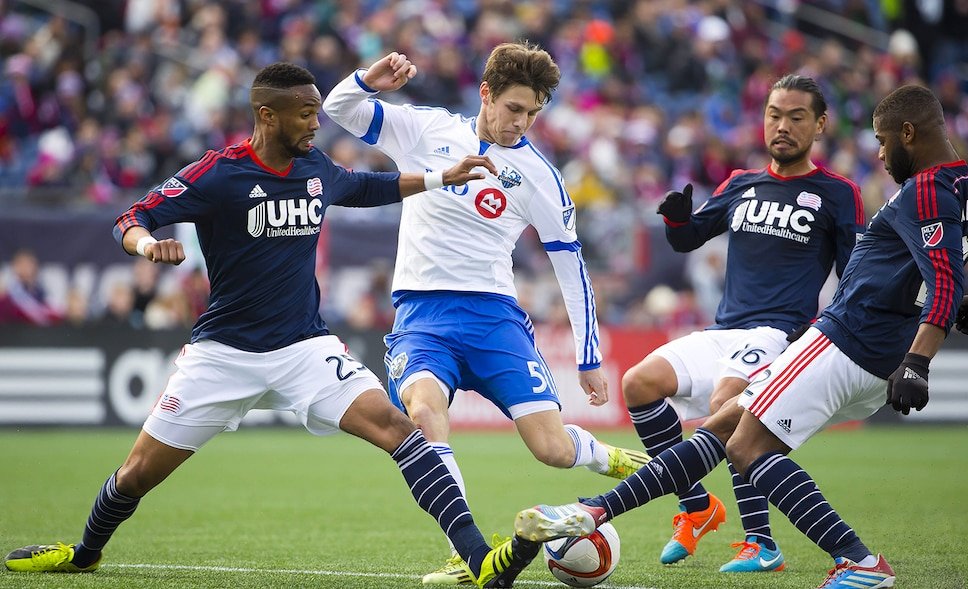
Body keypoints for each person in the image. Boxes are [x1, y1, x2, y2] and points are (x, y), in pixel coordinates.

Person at [3, 62, 540, 589]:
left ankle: (478, 559)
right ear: (267, 114)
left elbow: (365, 186)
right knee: (137, 474)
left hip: (304, 346)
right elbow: (134, 214)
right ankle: (85, 553)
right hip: (222, 354)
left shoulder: (315, 168)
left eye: (316, 113)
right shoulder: (219, 173)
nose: (315, 123)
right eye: (305, 114)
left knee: (402, 431)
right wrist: (147, 244)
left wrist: (440, 177)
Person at [514, 84, 967, 589]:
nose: (880, 154)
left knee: (741, 436)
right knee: (723, 424)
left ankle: (845, 559)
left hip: (841, 336)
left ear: (908, 132)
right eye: (773, 115)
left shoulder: (911, 188)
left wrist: (920, 358)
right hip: (851, 342)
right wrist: (677, 221)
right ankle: (604, 510)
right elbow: (949, 274)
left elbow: (939, 277)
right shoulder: (957, 185)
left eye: (883, 141)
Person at [323, 45, 649, 585]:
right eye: (514, 108)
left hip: (494, 319)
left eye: (533, 114)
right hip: (422, 315)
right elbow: (340, 109)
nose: (521, 123)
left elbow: (571, 265)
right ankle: (465, 550)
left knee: (551, 448)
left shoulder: (540, 175)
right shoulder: (424, 130)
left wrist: (589, 357)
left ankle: (621, 462)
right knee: (423, 415)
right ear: (486, 94)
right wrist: (368, 80)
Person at [621, 73, 866, 571]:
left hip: (780, 333)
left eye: (797, 117)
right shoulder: (740, 183)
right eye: (775, 115)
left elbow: (853, 276)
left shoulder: (838, 193)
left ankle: (761, 542)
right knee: (637, 383)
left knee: (725, 402)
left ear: (820, 125)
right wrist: (675, 218)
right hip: (725, 329)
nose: (783, 125)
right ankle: (695, 508)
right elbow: (689, 239)